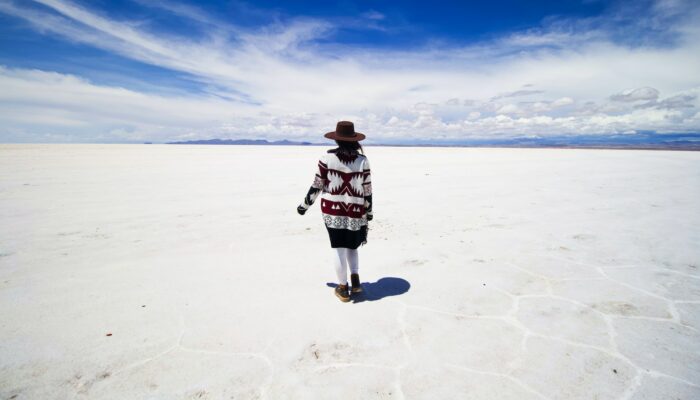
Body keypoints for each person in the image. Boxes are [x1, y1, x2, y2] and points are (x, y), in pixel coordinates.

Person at [297, 121, 373, 302]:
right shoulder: (363, 160)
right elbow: (367, 189)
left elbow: (317, 185)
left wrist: (304, 206)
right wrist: (369, 212)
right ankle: (355, 282)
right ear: (354, 139)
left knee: (339, 248)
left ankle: (342, 288)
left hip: (333, 211)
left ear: (337, 140)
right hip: (355, 210)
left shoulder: (326, 158)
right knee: (353, 246)